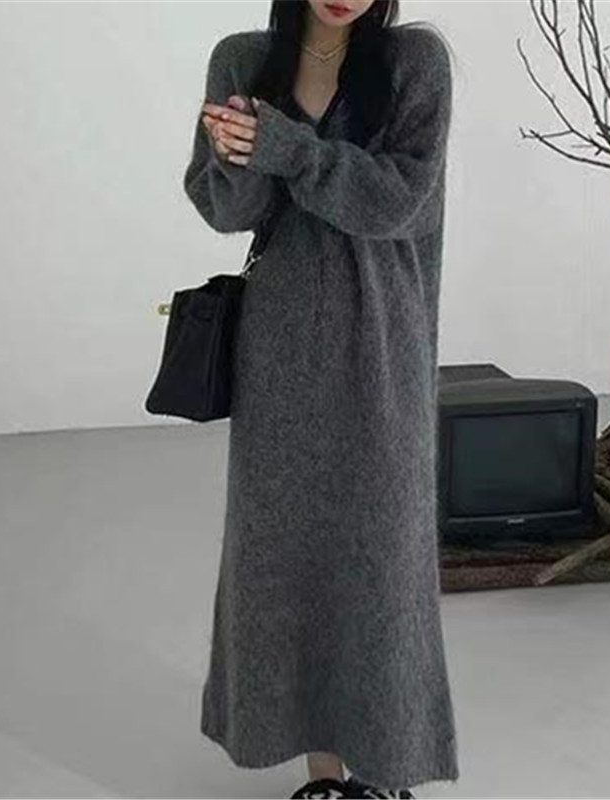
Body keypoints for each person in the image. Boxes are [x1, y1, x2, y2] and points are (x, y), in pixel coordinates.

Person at [186, 1, 458, 797]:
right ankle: (325, 773)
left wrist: (288, 150)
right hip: (279, 347)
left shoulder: (415, 63)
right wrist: (235, 159)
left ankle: (387, 768)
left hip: (383, 343)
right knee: (282, 561)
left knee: (383, 564)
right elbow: (225, 211)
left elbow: (401, 201)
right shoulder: (242, 58)